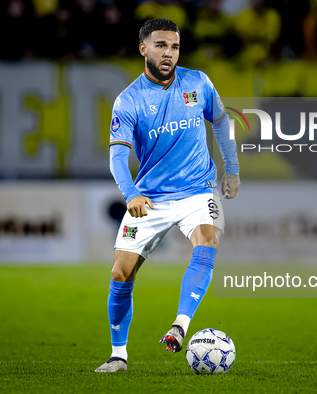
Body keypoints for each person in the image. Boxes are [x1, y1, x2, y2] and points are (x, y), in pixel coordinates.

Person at [95, 18, 240, 373]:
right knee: (120, 274)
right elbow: (116, 155)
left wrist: (232, 168)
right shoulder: (129, 100)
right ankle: (118, 356)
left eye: (174, 47)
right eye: (161, 45)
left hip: (197, 190)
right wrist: (130, 193)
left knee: (207, 241)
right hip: (150, 198)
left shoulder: (198, 83)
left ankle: (181, 325)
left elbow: (220, 120)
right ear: (143, 48)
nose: (169, 53)